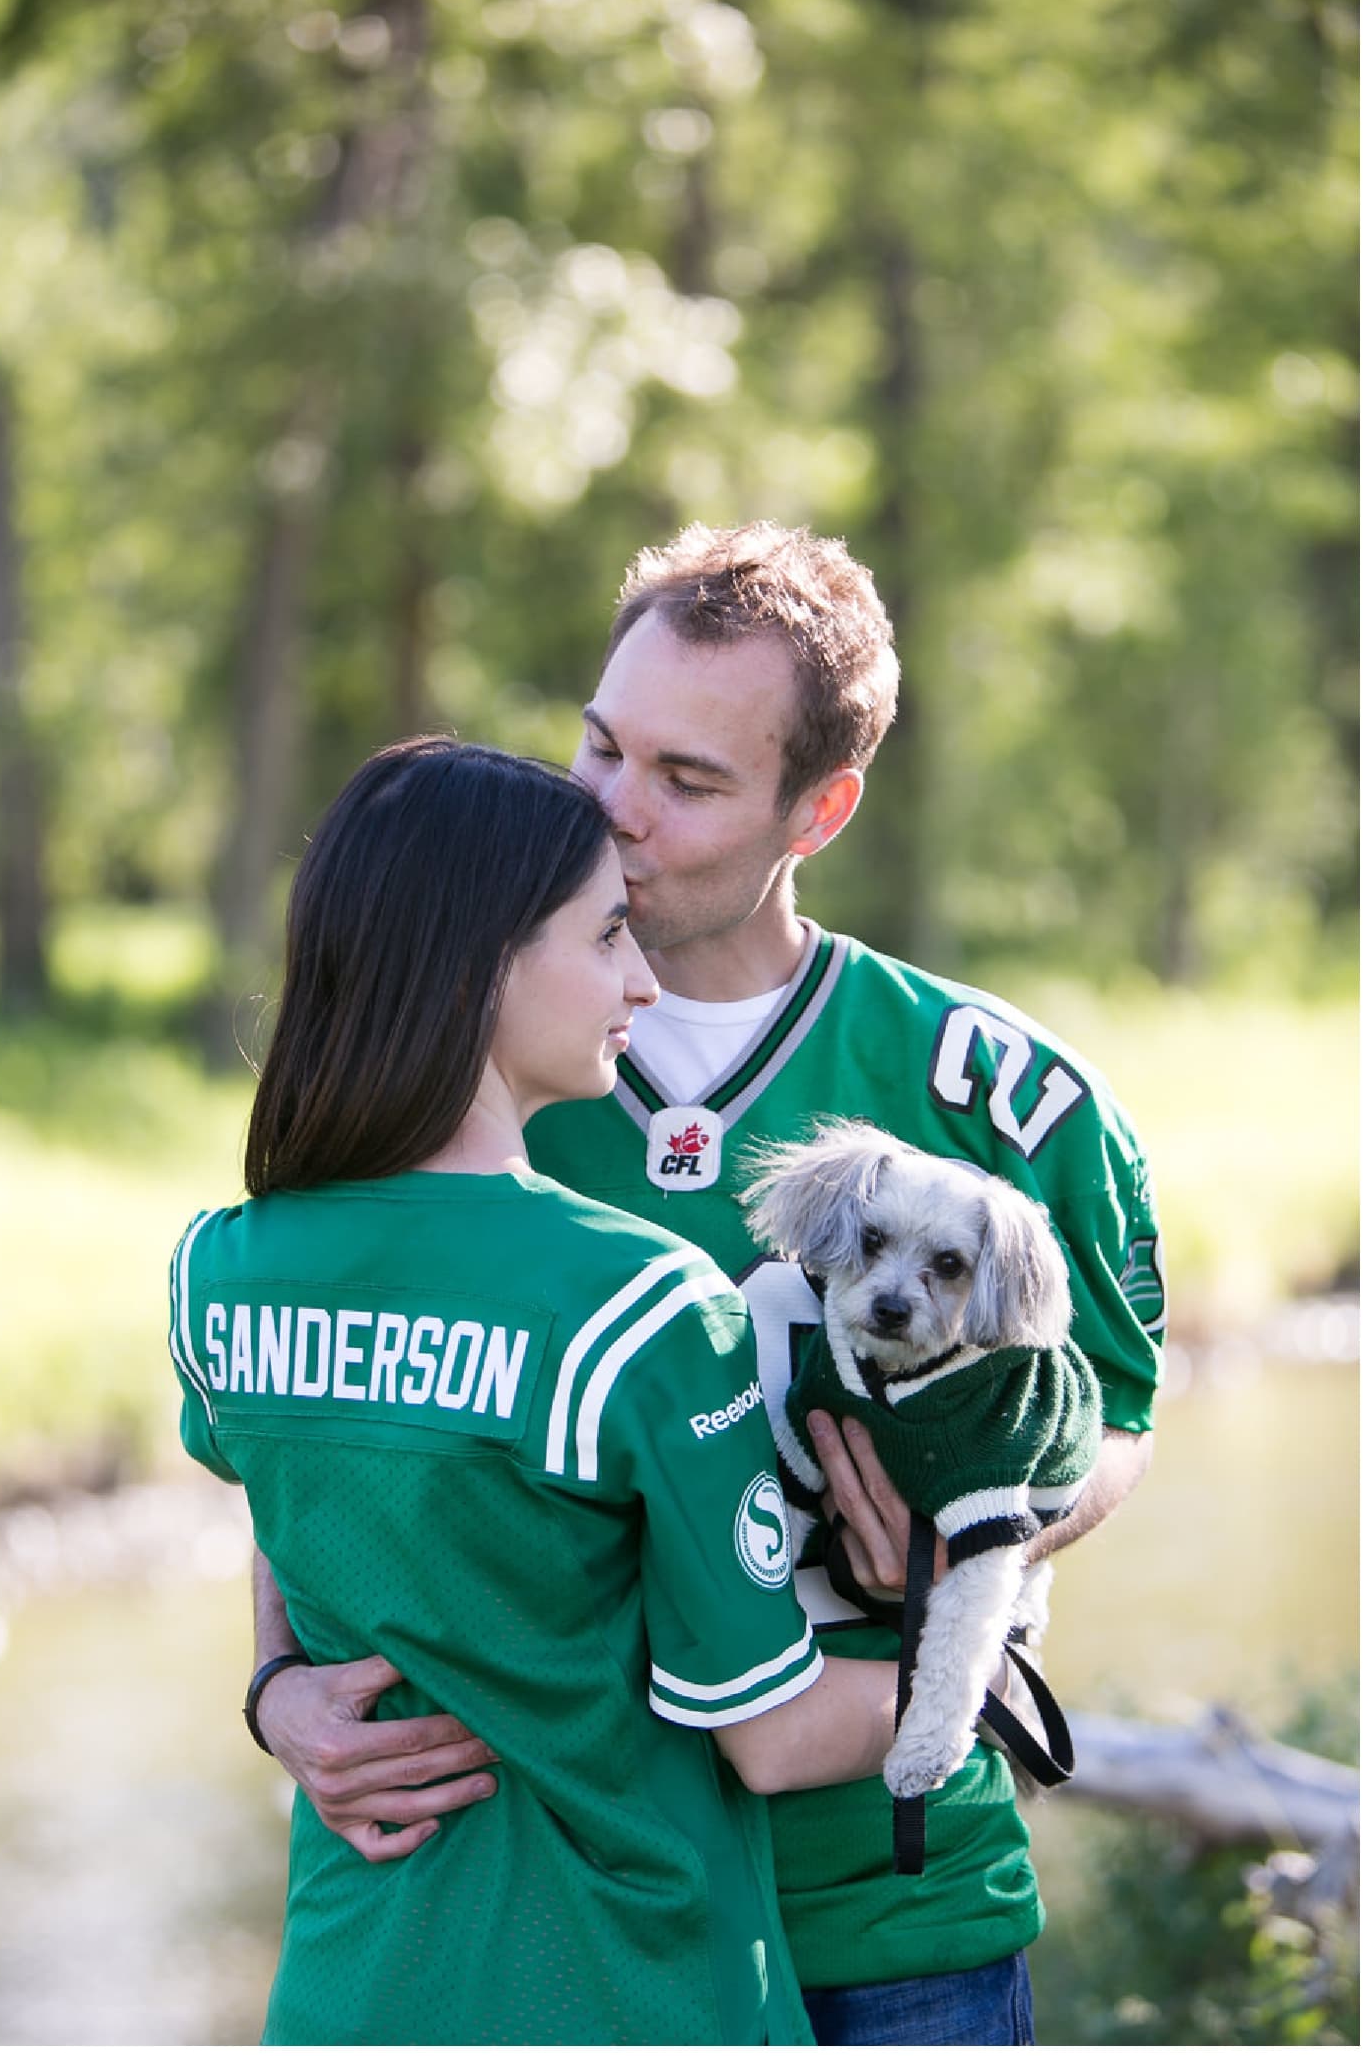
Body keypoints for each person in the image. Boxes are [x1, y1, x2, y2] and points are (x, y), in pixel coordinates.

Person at [251, 529, 1165, 2046]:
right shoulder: (462, 1057)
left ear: (823, 807)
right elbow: (322, 1404)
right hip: (569, 1913)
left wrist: (958, 1544)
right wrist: (278, 1685)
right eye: (600, 744)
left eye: (687, 781)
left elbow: (1114, 1415)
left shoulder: (1002, 1105)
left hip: (887, 1909)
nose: (611, 812)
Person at [170, 737, 905, 2046]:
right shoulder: (642, 1308)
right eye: (608, 935)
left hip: (349, 2000)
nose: (641, 979)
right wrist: (979, 1643)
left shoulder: (216, 1276)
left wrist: (277, 1685)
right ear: (479, 966)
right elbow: (774, 1737)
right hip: (637, 1996)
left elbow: (297, 1517)